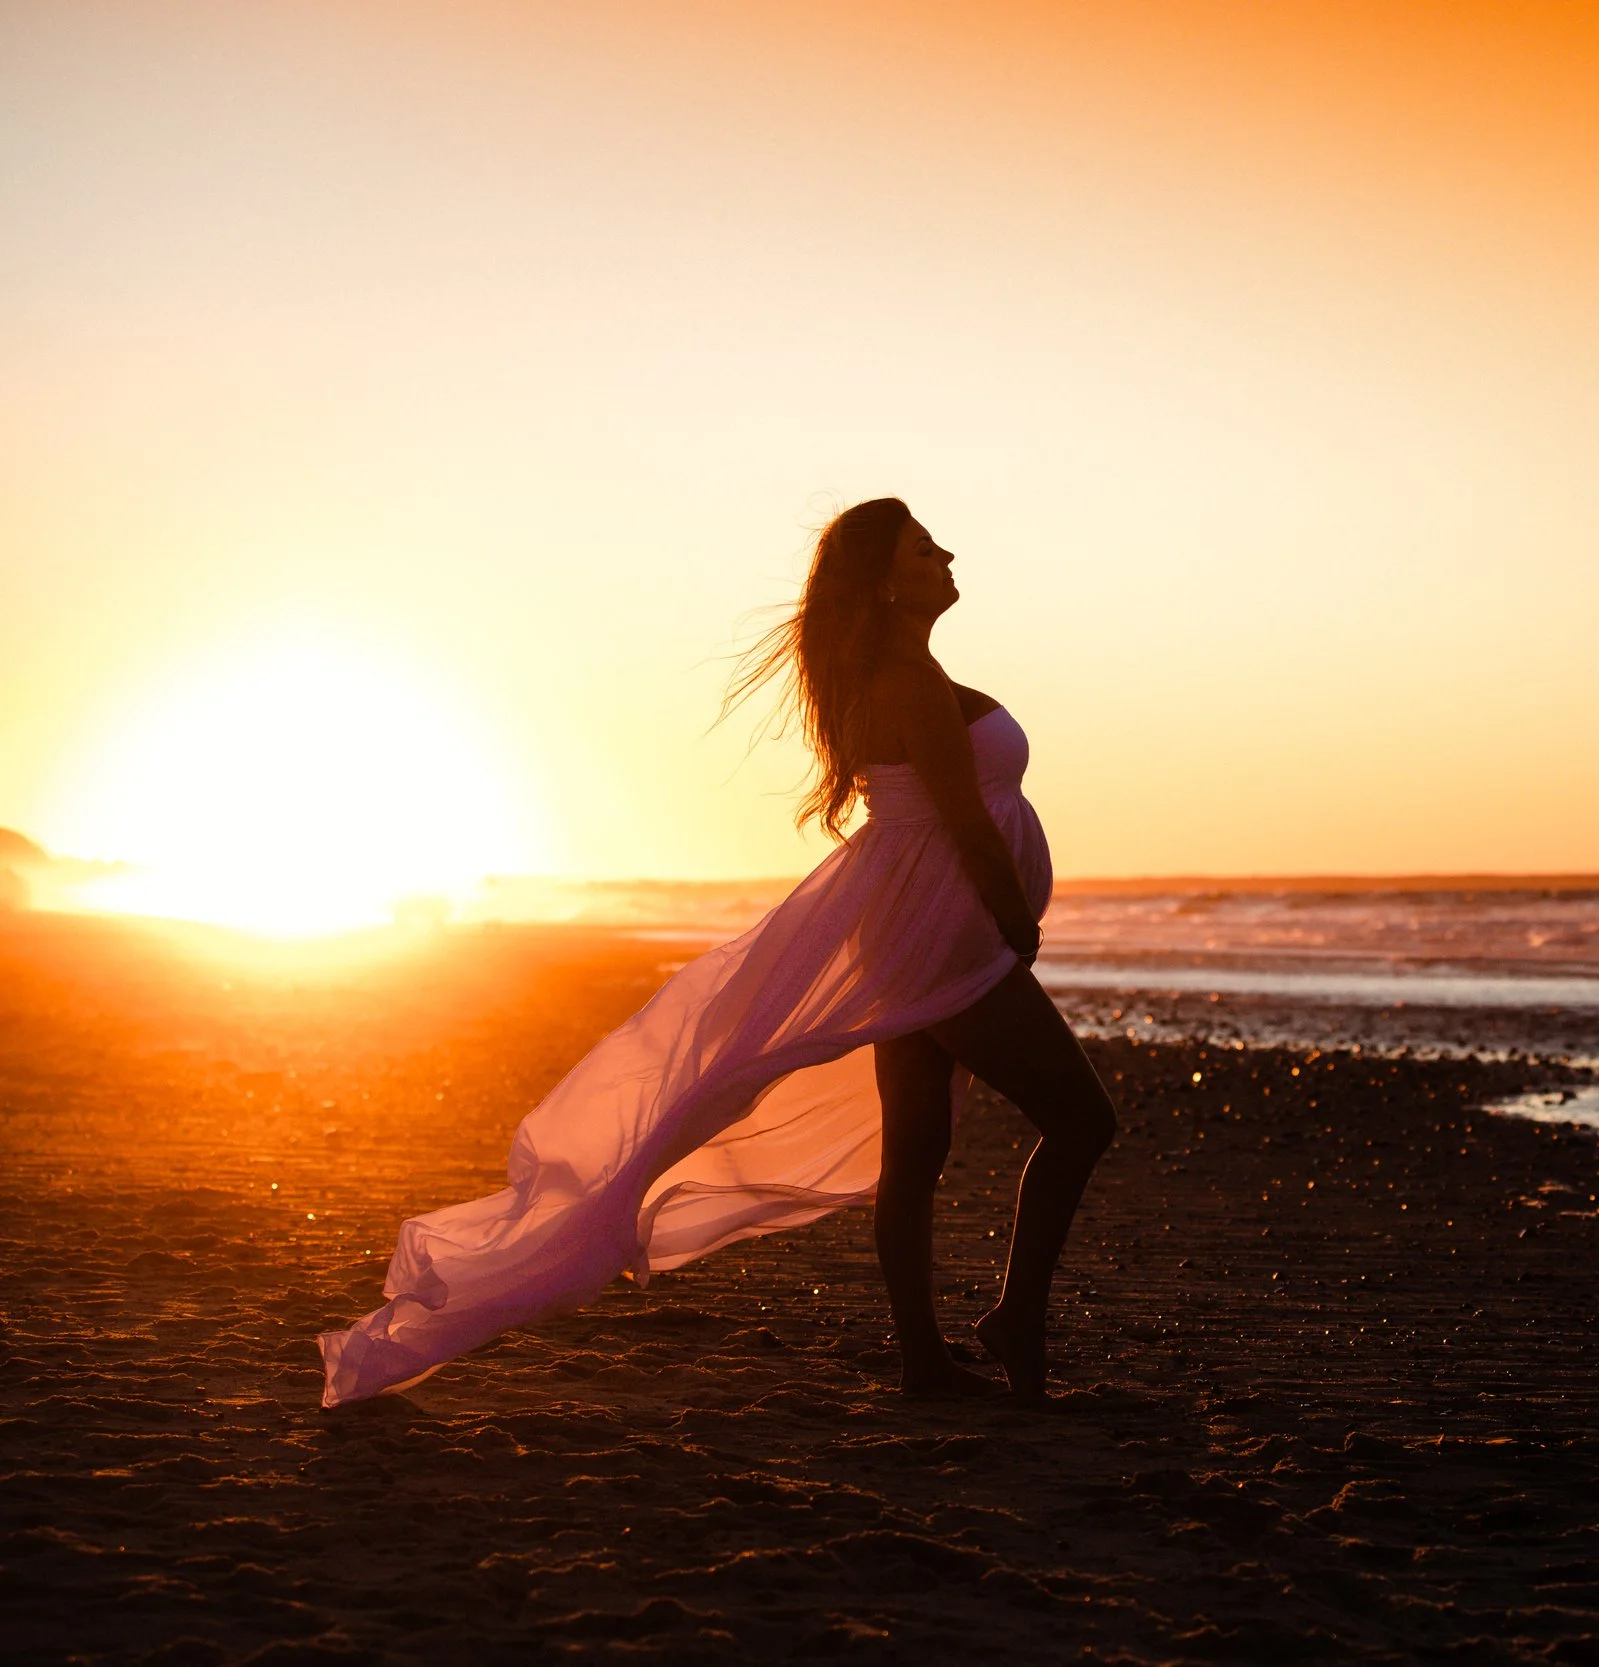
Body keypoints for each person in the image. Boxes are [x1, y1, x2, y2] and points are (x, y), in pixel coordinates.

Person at [318, 498, 1116, 1406]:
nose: (946, 555)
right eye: (924, 548)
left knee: (917, 1149)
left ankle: (925, 1362)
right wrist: (1017, 922)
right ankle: (1010, 1321)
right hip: (945, 931)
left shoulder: (900, 671)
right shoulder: (904, 678)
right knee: (1084, 1120)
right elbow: (965, 821)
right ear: (888, 582)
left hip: (911, 924)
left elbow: (931, 816)